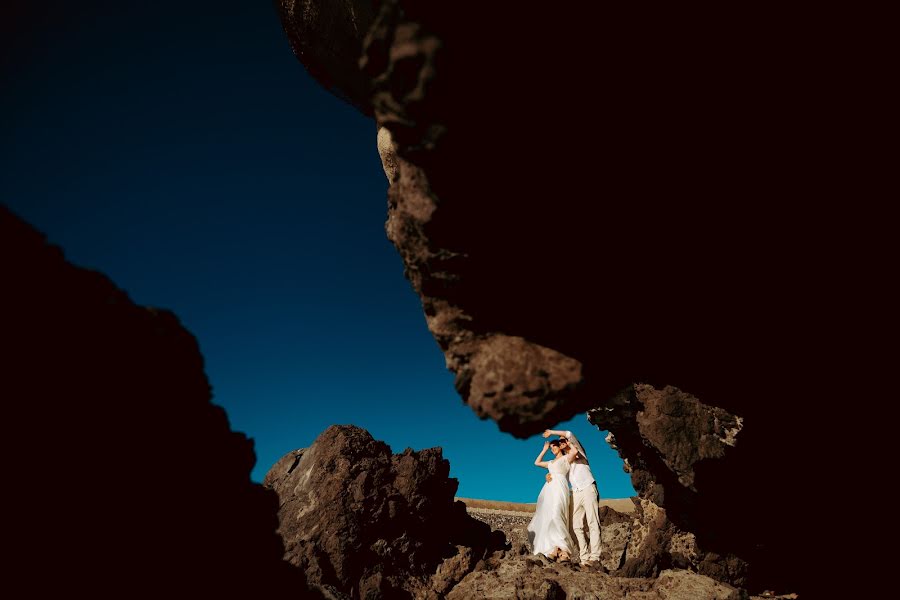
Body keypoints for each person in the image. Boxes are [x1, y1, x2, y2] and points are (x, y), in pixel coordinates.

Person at [543, 428, 602, 566]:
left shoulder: (580, 453)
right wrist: (549, 475)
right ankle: (584, 558)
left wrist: (552, 432)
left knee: (593, 522)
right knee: (576, 527)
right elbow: (557, 471)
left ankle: (595, 557)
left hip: (588, 487)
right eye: (561, 442)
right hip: (575, 492)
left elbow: (568, 433)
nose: (562, 442)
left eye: (563, 441)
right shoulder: (566, 462)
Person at [527, 439, 579, 562]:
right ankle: (555, 548)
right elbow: (536, 462)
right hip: (549, 489)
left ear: (560, 447)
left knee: (557, 515)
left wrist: (567, 441)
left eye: (554, 447)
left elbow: (575, 451)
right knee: (549, 517)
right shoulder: (550, 462)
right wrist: (544, 450)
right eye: (551, 448)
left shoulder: (566, 458)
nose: (552, 449)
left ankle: (564, 549)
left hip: (560, 487)